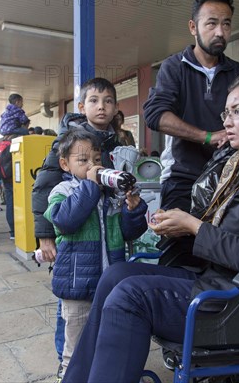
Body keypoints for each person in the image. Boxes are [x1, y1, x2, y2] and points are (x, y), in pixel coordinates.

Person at [61, 70, 239, 383]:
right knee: (116, 274)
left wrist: (194, 227)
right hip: (227, 284)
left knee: (130, 296)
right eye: (226, 112)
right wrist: (185, 227)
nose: (227, 121)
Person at [32, 77, 122, 381]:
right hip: (73, 241)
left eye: (108, 101)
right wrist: (45, 235)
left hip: (102, 242)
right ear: (82, 107)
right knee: (70, 306)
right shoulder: (69, 141)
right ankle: (65, 363)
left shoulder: (115, 142)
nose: (102, 107)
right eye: (94, 101)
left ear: (115, 108)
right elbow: (44, 185)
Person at [43, 129, 148, 378]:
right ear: (65, 164)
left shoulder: (110, 196)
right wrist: (90, 186)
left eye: (97, 160)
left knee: (108, 340)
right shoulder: (62, 192)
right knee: (76, 346)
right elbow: (66, 221)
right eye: (83, 161)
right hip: (78, 285)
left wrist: (132, 211)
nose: (93, 166)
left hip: (110, 283)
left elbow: (128, 233)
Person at [143, 0, 239, 212]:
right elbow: (155, 115)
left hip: (227, 178)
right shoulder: (174, 67)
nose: (220, 32)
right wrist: (206, 136)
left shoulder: (238, 72)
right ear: (193, 27)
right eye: (211, 23)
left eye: (226, 24)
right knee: (177, 242)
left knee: (223, 244)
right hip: (182, 178)